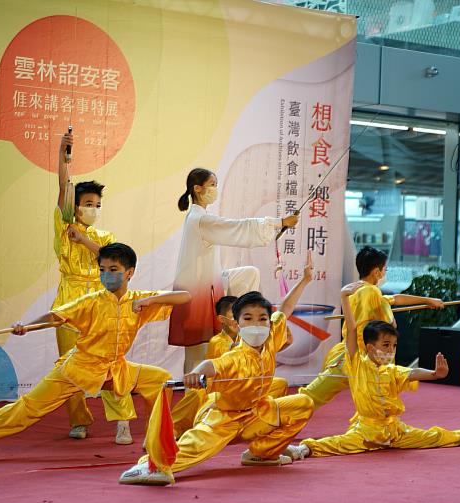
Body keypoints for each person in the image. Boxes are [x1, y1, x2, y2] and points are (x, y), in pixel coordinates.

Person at [0, 243, 191, 465]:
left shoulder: (139, 300)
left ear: (129, 273)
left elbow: (185, 296)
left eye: (113, 270)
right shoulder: (91, 301)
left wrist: (149, 301)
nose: (107, 275)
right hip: (79, 369)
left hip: (116, 369)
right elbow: (55, 316)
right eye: (102, 270)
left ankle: (155, 439)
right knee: (26, 409)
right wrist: (27, 326)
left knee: (160, 380)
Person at [119, 253, 316, 485]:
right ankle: (150, 466)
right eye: (248, 318)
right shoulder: (235, 355)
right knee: (188, 451)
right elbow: (211, 365)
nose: (256, 324)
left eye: (262, 318)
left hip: (258, 412)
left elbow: (286, 308)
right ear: (237, 324)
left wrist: (305, 280)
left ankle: (261, 454)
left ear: (269, 322)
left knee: (303, 404)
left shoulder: (272, 336)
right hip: (225, 417)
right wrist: (197, 373)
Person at [286, 282, 460, 460]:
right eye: (386, 345)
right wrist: (344, 297)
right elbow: (351, 329)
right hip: (366, 433)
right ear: (370, 347)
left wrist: (435, 374)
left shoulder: (390, 370)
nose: (391, 350)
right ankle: (303, 449)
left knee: (434, 436)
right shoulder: (357, 362)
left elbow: (412, 373)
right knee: (337, 443)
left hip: (396, 432)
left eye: (394, 346)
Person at [168, 167, 299, 374]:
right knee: (199, 352)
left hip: (208, 284)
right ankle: (194, 391)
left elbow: (236, 228)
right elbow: (237, 227)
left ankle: (244, 321)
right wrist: (279, 223)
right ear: (197, 188)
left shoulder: (199, 217)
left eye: (216, 185)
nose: (215, 189)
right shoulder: (200, 219)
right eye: (212, 185)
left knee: (249, 273)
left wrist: (277, 226)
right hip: (197, 292)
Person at [53, 132, 133, 445]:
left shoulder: (104, 236)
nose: (94, 209)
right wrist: (63, 155)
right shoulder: (64, 227)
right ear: (75, 207)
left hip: (100, 302)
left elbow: (110, 256)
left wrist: (85, 240)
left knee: (110, 364)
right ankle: (78, 420)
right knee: (70, 366)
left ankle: (122, 421)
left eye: (97, 205)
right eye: (88, 204)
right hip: (69, 302)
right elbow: (63, 188)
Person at [299, 246, 444, 410]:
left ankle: (284, 411)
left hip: (346, 354)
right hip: (366, 359)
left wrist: (427, 300)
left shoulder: (355, 290)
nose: (385, 273)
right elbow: (391, 326)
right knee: (379, 402)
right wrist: (390, 311)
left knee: (312, 396)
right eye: (384, 269)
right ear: (376, 272)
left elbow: (395, 299)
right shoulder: (373, 293)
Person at [170, 296, 290, 438]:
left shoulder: (253, 336)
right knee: (196, 395)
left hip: (246, 390)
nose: (253, 323)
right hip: (222, 391)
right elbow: (229, 358)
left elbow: (283, 327)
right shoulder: (219, 341)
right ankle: (175, 429)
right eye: (246, 318)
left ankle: (259, 420)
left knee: (280, 383)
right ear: (226, 320)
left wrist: (274, 343)